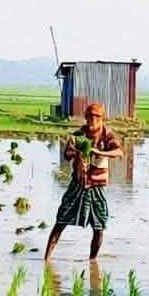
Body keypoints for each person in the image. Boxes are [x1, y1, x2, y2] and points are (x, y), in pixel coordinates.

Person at [44, 103, 123, 261]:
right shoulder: (79, 135)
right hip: (78, 183)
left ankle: (92, 261)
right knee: (61, 220)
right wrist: (76, 153)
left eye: (96, 117)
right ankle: (46, 259)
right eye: (90, 116)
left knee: (99, 226)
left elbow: (119, 152)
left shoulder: (107, 135)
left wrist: (99, 152)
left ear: (102, 119)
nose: (92, 120)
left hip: (97, 185)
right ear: (86, 118)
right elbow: (67, 154)